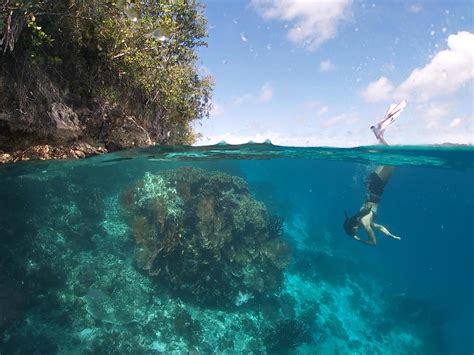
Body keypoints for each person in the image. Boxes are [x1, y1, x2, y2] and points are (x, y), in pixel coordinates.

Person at [343, 101, 406, 246]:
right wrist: (390, 235)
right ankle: (380, 133)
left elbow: (373, 243)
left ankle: (379, 135)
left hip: (376, 187)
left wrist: (357, 239)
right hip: (372, 185)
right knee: (388, 159)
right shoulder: (362, 221)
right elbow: (377, 227)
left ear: (354, 229)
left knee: (393, 160)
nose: (358, 233)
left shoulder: (363, 221)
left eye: (355, 232)